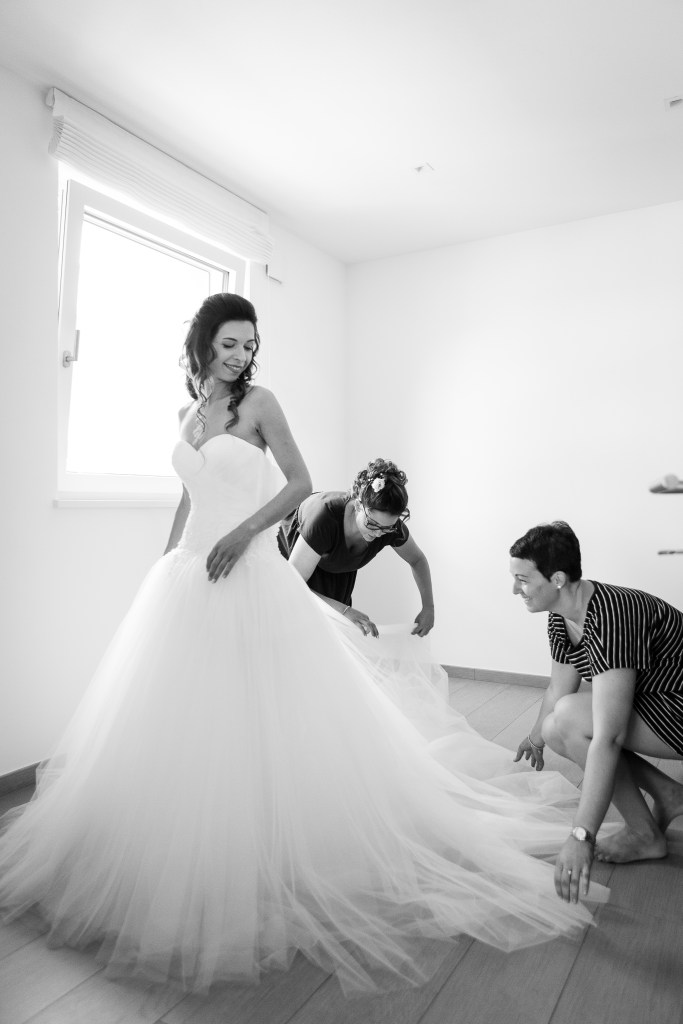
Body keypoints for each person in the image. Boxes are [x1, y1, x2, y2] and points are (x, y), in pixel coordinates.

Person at [0, 297, 605, 997]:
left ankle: (271, 843)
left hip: (246, 564)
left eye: (248, 344)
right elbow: (189, 494)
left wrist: (240, 535)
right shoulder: (188, 413)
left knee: (264, 707)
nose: (240, 355)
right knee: (182, 713)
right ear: (203, 343)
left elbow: (297, 483)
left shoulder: (261, 405)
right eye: (229, 343)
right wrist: (166, 559)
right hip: (189, 570)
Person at [510, 521, 683, 906]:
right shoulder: (562, 613)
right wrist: (535, 738)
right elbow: (558, 688)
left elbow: (610, 736)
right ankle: (669, 794)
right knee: (556, 726)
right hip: (659, 700)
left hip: (678, 705)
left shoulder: (612, 615)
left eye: (522, 580)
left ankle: (645, 834)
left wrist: (581, 835)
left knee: (571, 720)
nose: (515, 590)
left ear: (556, 579)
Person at [278, 459, 435, 639]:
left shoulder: (389, 527)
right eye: (372, 524)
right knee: (302, 628)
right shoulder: (323, 519)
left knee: (338, 635)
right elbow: (294, 583)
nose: (378, 533)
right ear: (359, 505)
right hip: (296, 556)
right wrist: (344, 611)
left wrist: (428, 607)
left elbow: (417, 560)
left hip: (336, 568)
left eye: (386, 529)